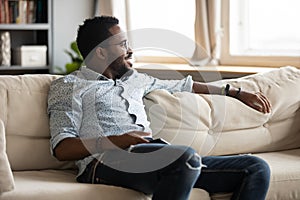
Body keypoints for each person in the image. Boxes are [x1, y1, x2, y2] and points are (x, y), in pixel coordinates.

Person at [48, 16, 271, 200]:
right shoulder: (69, 87)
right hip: (103, 162)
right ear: (101, 52)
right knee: (185, 157)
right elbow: (62, 148)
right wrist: (119, 139)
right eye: (123, 44)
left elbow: (185, 84)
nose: (130, 50)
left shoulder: (136, 79)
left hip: (155, 158)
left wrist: (235, 92)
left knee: (255, 167)